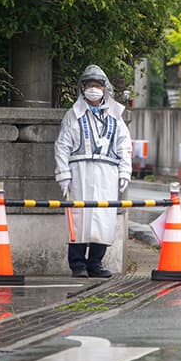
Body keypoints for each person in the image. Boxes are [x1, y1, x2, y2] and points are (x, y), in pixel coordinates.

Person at [54, 65, 132, 278]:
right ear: (82, 88)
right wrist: (64, 175)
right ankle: (77, 265)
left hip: (108, 173)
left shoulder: (116, 116)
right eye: (90, 85)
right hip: (80, 172)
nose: (94, 89)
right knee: (79, 219)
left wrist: (125, 172)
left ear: (105, 88)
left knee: (103, 218)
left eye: (97, 85)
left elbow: (124, 146)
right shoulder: (73, 115)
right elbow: (62, 146)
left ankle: (96, 264)